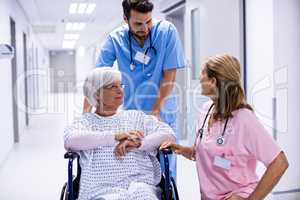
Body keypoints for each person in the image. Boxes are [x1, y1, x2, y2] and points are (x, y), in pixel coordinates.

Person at [160, 54, 289, 200]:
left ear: (213, 81)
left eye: (202, 73)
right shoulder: (205, 110)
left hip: (237, 194)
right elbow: (202, 153)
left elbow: (280, 163)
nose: (199, 78)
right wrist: (179, 149)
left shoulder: (244, 118)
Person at [83, 0, 185, 178]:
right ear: (125, 19)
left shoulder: (166, 32)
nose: (145, 28)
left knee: (165, 171)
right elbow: (96, 78)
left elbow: (170, 75)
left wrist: (154, 112)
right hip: (132, 114)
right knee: (136, 169)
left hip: (162, 113)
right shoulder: (115, 39)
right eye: (138, 23)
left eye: (149, 21)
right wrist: (86, 115)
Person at [65, 67, 175, 200]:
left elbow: (169, 134)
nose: (120, 90)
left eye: (120, 85)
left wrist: (140, 143)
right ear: (96, 93)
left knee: (142, 194)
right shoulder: (86, 122)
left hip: (140, 185)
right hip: (101, 189)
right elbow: (70, 140)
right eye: (112, 86)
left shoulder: (136, 117)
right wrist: (114, 137)